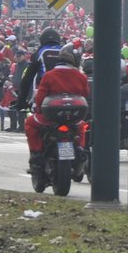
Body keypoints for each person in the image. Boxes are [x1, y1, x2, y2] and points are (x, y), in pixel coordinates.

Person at [27, 47, 91, 176]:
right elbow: (85, 94)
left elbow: (40, 97)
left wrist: (39, 109)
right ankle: (79, 148)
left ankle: (37, 153)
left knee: (30, 123)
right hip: (73, 117)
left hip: (50, 118)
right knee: (81, 127)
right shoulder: (81, 77)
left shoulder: (49, 75)